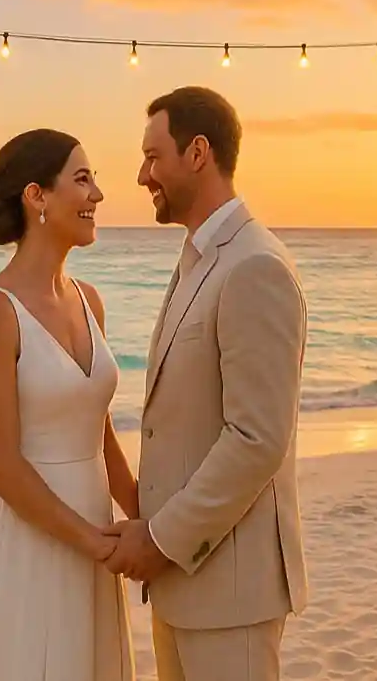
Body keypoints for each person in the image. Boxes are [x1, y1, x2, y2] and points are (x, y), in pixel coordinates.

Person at [105, 85, 308, 681]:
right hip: (185, 587)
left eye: (153, 156)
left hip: (230, 594)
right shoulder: (198, 258)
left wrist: (160, 540)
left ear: (198, 153)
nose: (143, 175)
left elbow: (256, 441)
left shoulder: (255, 266)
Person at [0, 129, 137, 680]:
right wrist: (92, 542)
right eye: (83, 179)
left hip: (96, 531)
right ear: (37, 196)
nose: (98, 195)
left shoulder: (91, 300)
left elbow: (100, 434)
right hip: (33, 539)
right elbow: (0, 466)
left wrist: (145, 519)